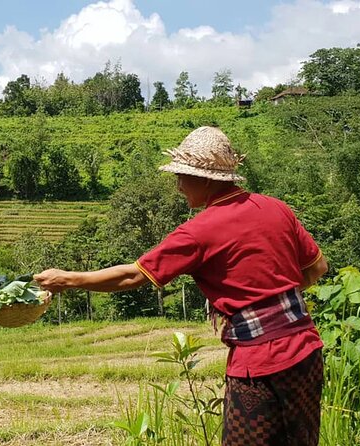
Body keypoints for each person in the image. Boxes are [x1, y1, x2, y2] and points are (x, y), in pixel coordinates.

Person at [34, 126, 328, 446]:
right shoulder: (275, 208)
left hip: (260, 362)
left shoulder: (198, 232)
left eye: (181, 176)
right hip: (307, 351)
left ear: (204, 179)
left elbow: (134, 275)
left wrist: (69, 278)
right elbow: (317, 268)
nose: (178, 185)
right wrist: (275, 304)